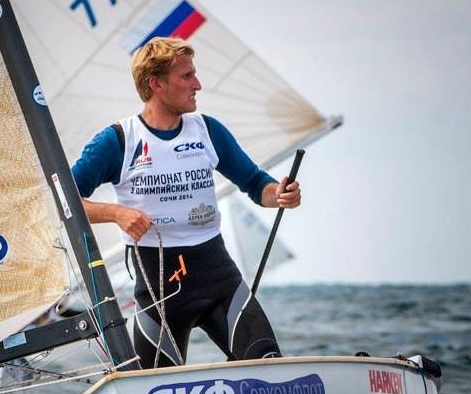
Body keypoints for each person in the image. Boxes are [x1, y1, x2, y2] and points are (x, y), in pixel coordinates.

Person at [70, 36, 301, 368]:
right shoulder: (119, 140)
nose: (198, 84)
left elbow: (254, 182)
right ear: (157, 84)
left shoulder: (207, 130)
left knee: (269, 365)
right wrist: (116, 213)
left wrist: (278, 194)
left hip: (220, 282)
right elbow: (65, 202)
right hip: (160, 296)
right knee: (155, 390)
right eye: (187, 76)